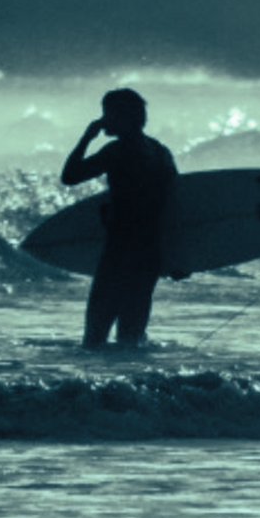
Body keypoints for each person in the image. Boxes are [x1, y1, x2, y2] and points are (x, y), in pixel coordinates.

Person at [60, 88, 177, 348]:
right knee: (131, 339)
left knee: (94, 339)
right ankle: (129, 384)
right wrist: (178, 258)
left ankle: (99, 388)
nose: (103, 120)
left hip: (120, 253)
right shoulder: (161, 153)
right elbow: (173, 208)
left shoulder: (118, 151)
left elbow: (69, 176)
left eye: (107, 114)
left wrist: (86, 137)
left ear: (123, 117)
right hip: (150, 255)